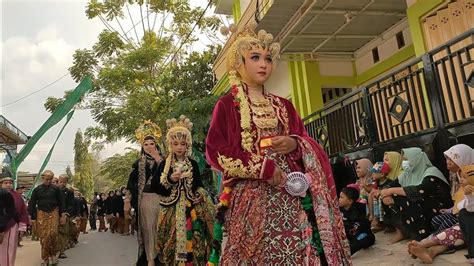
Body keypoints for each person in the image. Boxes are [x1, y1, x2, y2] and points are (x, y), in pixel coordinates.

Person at [205, 22, 351, 265]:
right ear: (239, 63)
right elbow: (216, 152)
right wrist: (264, 168)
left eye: (268, 58)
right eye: (255, 57)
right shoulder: (227, 105)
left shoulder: (284, 105)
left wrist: (295, 144)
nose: (264, 64)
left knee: (297, 250)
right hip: (249, 196)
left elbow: (304, 138)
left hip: (289, 191)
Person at [152, 115, 215, 265]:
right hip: (172, 211)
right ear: (170, 145)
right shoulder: (164, 165)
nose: (179, 147)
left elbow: (199, 185)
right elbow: (156, 186)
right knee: (172, 242)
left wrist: (200, 194)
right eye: (175, 144)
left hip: (191, 209)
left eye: (182, 144)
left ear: (187, 145)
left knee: (195, 240)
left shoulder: (192, 163)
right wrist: (171, 179)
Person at [380, 147, 452, 243]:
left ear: (416, 159)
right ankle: (402, 231)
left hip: (438, 207)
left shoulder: (431, 171)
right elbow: (388, 185)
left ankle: (421, 236)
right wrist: (386, 194)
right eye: (403, 160)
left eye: (406, 159)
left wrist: (390, 191)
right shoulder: (408, 174)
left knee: (407, 200)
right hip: (421, 203)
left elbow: (419, 191)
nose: (404, 162)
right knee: (392, 197)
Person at [408, 164, 474, 264]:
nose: (461, 179)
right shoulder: (464, 188)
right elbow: (461, 206)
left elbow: (469, 208)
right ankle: (429, 251)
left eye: (465, 177)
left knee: (457, 228)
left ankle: (423, 245)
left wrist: (469, 196)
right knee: (455, 232)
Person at [127, 120, 163, 266]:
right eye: (146, 144)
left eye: (152, 143)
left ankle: (161, 257)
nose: (149, 146)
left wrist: (158, 159)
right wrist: (127, 201)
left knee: (161, 228)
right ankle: (149, 258)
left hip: (164, 199)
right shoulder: (138, 163)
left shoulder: (165, 160)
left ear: (156, 145)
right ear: (142, 146)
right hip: (146, 200)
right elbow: (130, 183)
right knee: (148, 229)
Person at [28, 170, 66, 266]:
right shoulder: (37, 190)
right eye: (46, 179)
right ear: (42, 178)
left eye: (50, 179)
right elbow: (32, 204)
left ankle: (53, 255)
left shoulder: (56, 189)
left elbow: (61, 203)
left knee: (53, 234)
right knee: (44, 237)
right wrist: (30, 217)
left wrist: (63, 216)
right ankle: (45, 258)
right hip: (41, 213)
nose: (48, 181)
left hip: (54, 212)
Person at [0, 177, 29, 266]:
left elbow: (23, 212)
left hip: (11, 226)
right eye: (6, 183)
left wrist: (22, 227)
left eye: (10, 183)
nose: (8, 185)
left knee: (10, 250)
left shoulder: (17, 196)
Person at [339, 185, 375, 255]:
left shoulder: (360, 208)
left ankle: (347, 253)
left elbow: (362, 224)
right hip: (349, 236)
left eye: (341, 197)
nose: (339, 199)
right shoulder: (339, 209)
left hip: (362, 234)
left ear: (350, 201)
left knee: (364, 239)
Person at [367, 161, 390, 232]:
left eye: (374, 173)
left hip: (385, 200)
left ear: (382, 174)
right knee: (371, 194)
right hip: (377, 199)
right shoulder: (377, 182)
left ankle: (378, 221)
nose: (372, 174)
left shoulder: (388, 182)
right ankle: (374, 217)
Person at [57, 174, 76, 259]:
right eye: (60, 182)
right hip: (54, 214)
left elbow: (71, 204)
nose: (62, 184)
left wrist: (67, 213)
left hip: (64, 215)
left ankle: (62, 251)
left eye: (64, 182)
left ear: (66, 182)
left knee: (63, 233)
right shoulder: (54, 190)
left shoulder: (69, 192)